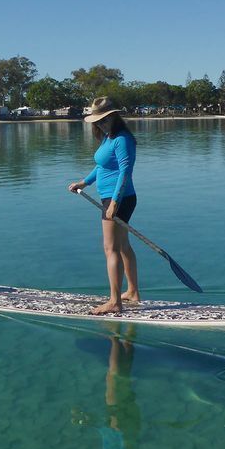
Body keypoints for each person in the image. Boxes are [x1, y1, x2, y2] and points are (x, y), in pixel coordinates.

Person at [68, 97, 139, 315]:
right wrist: (84, 182)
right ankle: (133, 293)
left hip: (119, 198)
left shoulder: (122, 139)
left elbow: (125, 171)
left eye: (104, 120)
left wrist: (115, 202)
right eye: (97, 122)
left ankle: (115, 301)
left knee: (111, 248)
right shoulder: (109, 138)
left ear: (113, 116)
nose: (100, 124)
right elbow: (102, 167)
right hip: (111, 198)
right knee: (123, 246)